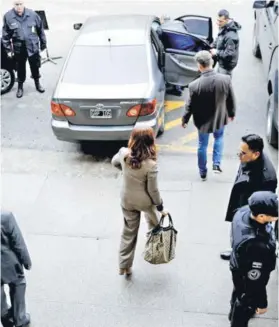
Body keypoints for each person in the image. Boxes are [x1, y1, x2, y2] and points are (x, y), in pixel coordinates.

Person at [111, 127, 166, 276]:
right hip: (145, 202)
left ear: (132, 140)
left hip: (127, 199)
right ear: (150, 142)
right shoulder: (151, 165)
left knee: (128, 232)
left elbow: (113, 162)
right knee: (155, 223)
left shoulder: (124, 154)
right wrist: (160, 205)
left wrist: (124, 170)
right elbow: (153, 190)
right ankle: (154, 249)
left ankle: (124, 266)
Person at [221, 134, 277, 260]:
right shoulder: (249, 159)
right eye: (239, 152)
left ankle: (241, 254)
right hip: (241, 201)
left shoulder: (267, 178)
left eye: (243, 153)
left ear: (255, 154)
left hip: (251, 210)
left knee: (247, 233)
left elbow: (264, 207)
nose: (239, 156)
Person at [181, 50, 236, 181]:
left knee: (202, 145)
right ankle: (216, 164)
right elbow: (231, 99)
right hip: (219, 117)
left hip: (202, 120)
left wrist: (185, 119)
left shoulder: (194, 86)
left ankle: (202, 172)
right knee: (219, 138)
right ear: (211, 62)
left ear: (199, 66)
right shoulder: (225, 79)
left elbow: (190, 105)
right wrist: (231, 113)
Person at [229, 191, 278, 327]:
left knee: (237, 292)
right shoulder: (257, 244)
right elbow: (256, 279)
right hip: (247, 273)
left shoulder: (243, 212)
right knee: (245, 303)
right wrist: (262, 302)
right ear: (261, 216)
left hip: (238, 264)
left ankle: (233, 311)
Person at [2, 1, 47, 98]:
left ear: (24, 3)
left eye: (20, 4)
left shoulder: (33, 15)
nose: (19, 7)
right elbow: (5, 35)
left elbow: (40, 30)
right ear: (13, 5)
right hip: (19, 48)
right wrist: (8, 50)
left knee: (35, 67)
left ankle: (37, 83)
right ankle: (20, 87)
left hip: (32, 46)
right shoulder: (8, 17)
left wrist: (43, 43)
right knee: (20, 68)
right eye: (16, 4)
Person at [1, 210, 32, 327]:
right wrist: (26, 261)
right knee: (19, 284)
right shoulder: (5, 217)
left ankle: (4, 314)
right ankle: (20, 319)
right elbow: (18, 242)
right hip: (8, 264)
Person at [210, 9, 241, 76]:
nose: (218, 23)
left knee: (223, 84)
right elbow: (219, 38)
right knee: (218, 78)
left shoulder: (231, 36)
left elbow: (229, 54)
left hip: (226, 66)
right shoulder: (224, 27)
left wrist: (216, 52)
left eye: (220, 21)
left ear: (227, 20)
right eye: (218, 20)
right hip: (222, 62)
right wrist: (212, 46)